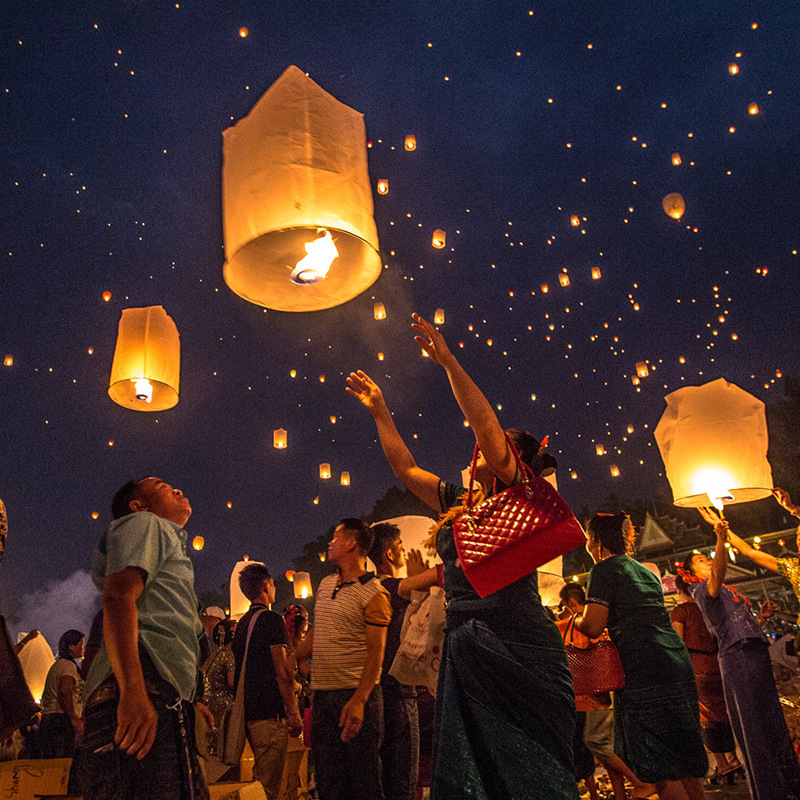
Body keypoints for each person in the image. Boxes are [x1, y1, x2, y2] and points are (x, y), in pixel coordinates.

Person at [346, 313, 578, 800]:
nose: (476, 455)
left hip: (520, 640)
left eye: (489, 450)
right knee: (473, 776)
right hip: (467, 646)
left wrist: (449, 362)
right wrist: (379, 410)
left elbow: (490, 436)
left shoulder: (522, 492)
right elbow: (408, 470)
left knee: (534, 774)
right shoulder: (457, 503)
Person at [78, 477, 210, 800]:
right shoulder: (145, 523)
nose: (178, 488)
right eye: (162, 486)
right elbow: (119, 597)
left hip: (161, 702)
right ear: (139, 506)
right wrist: (133, 691)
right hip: (141, 698)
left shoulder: (166, 545)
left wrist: (193, 701)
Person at [574, 514, 708, 800]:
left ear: (596, 541)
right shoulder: (644, 571)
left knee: (657, 763)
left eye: (588, 537)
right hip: (674, 659)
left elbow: (594, 626)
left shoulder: (604, 570)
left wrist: (576, 620)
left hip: (643, 666)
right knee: (683, 756)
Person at [683, 508, 800, 800]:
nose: (707, 560)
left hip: (755, 653)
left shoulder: (728, 592)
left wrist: (759, 619)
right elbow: (721, 569)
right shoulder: (701, 590)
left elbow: (733, 624)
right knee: (754, 730)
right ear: (691, 574)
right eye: (700, 561)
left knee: (773, 723)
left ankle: (790, 784)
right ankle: (768, 791)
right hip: (736, 658)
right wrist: (720, 536)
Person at [296, 518, 391, 800]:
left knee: (364, 784)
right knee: (329, 782)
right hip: (323, 698)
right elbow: (319, 630)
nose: (330, 542)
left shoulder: (375, 593)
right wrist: (294, 655)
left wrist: (360, 700)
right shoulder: (325, 584)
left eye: (335, 537)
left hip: (356, 696)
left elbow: (377, 652)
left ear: (351, 543)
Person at [557, 585, 654, 800]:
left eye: (565, 605)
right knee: (608, 746)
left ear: (571, 602)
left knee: (595, 741)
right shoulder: (603, 619)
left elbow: (555, 631)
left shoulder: (577, 622)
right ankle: (620, 795)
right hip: (611, 686)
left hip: (592, 692)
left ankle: (640, 783)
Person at [232, 563, 303, 799]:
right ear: (265, 586)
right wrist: (293, 712)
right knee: (267, 787)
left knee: (260, 780)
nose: (274, 588)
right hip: (270, 716)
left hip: (250, 714)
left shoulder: (242, 624)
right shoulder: (272, 620)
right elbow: (282, 672)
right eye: (272, 583)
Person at [670, 577, 741, 783]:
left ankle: (723, 764)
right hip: (717, 665)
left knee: (707, 716)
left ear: (678, 590)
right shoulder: (707, 608)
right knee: (723, 712)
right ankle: (733, 758)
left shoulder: (680, 611)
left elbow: (678, 642)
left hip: (697, 668)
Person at [368, 522, 419, 800]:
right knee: (402, 782)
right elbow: (434, 579)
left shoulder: (368, 590)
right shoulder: (392, 588)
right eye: (400, 546)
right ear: (389, 554)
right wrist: (420, 575)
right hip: (399, 693)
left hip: (378, 693)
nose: (404, 551)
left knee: (386, 778)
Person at [38, 629, 85, 759]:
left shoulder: (57, 665)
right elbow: (65, 690)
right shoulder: (68, 666)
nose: (83, 648)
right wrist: (73, 717)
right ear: (71, 646)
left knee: (51, 764)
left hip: (49, 719)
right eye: (81, 644)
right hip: (60, 720)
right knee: (63, 762)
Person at [202, 619, 236, 757]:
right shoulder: (228, 655)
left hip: (210, 704)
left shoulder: (213, 655)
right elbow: (232, 682)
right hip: (223, 707)